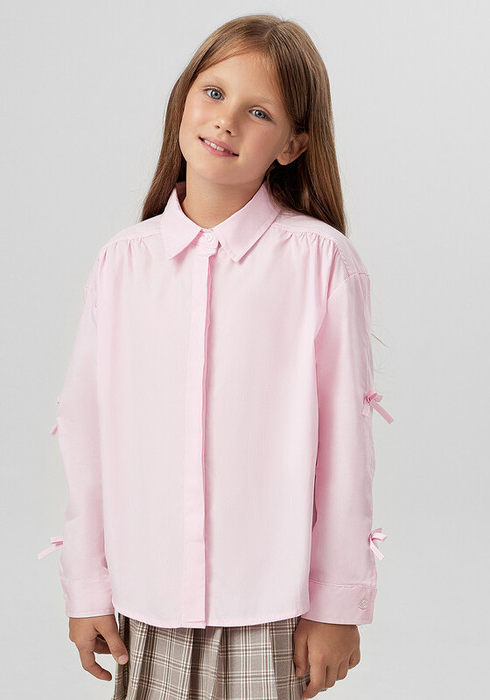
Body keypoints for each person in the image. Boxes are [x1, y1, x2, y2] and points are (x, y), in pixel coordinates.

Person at [37, 13, 393, 700]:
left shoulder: (319, 262)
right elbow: (87, 434)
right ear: (184, 100)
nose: (226, 120)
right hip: (147, 602)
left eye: (259, 111)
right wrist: (86, 585)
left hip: (271, 605)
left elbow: (345, 451)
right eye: (213, 92)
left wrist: (337, 606)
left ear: (292, 144)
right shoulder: (122, 264)